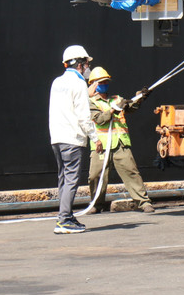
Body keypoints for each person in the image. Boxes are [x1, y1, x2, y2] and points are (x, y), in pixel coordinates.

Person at [86, 67, 155, 214]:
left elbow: (130, 106)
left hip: (120, 143)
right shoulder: (90, 102)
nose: (104, 84)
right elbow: (99, 119)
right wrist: (113, 110)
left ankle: (144, 202)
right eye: (101, 82)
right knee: (95, 176)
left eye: (106, 81)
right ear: (93, 84)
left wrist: (140, 96)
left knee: (131, 172)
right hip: (101, 146)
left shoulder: (116, 99)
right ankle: (96, 204)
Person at [49, 45, 101, 234]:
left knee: (63, 178)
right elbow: (83, 116)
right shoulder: (79, 84)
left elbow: (64, 107)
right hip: (73, 138)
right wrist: (95, 138)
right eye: (86, 63)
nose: (88, 66)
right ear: (80, 64)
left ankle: (66, 215)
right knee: (72, 179)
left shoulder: (57, 82)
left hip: (57, 138)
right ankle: (63, 220)